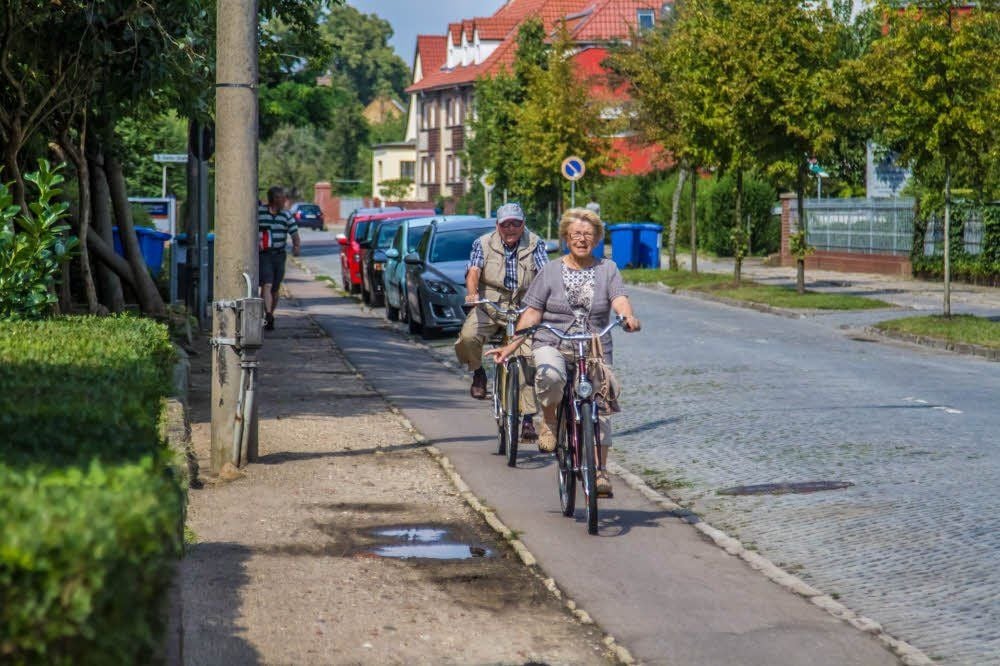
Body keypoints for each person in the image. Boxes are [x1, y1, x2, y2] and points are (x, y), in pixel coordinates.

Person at [486, 207, 640, 496]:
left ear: (597, 239)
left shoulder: (608, 269)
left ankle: (601, 472)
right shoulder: (551, 271)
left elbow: (619, 298)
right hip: (553, 341)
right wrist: (511, 346)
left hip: (593, 347)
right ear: (566, 237)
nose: (582, 239)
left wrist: (628, 317)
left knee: (601, 405)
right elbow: (532, 312)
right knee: (551, 376)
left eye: (588, 234)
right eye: (576, 234)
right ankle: (550, 420)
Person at [455, 202, 549, 443]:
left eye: (516, 224)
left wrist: (547, 298)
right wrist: (473, 294)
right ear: (497, 225)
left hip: (523, 309)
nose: (511, 229)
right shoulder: (483, 243)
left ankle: (527, 419)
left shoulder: (535, 243)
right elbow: (474, 271)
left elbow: (545, 273)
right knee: (467, 337)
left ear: (523, 224)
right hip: (490, 305)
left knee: (528, 357)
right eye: (506, 224)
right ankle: (478, 372)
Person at [258, 185, 300, 330]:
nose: (284, 201)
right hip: (265, 255)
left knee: (275, 288)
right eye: (282, 198)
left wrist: (296, 246)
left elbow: (294, 233)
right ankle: (268, 314)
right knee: (267, 284)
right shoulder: (260, 213)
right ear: (274, 199)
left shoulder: (286, 215)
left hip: (280, 255)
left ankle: (270, 314)